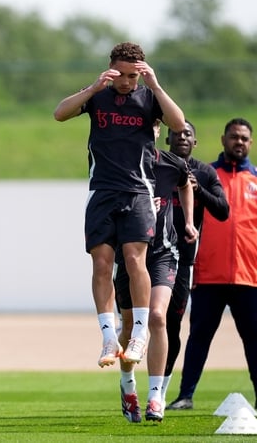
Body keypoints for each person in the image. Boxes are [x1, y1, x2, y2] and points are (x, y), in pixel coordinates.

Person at [53, 41, 185, 368]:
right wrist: (93, 87)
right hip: (102, 191)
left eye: (132, 76)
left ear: (140, 74)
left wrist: (154, 84)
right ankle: (109, 336)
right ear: (111, 70)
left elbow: (179, 124)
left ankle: (138, 334)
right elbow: (60, 113)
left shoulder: (149, 98)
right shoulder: (98, 96)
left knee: (133, 258)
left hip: (138, 192)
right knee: (101, 263)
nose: (126, 82)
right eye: (121, 75)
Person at [166, 118, 257, 411]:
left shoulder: (256, 180)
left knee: (254, 342)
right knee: (198, 338)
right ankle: (185, 395)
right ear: (223, 139)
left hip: (249, 276)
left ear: (250, 143)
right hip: (208, 274)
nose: (239, 142)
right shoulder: (205, 174)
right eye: (234, 137)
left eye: (244, 138)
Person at [114, 129, 197, 423]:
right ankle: (127, 384)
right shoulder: (120, 164)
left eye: (152, 125)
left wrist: (188, 221)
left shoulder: (171, 163)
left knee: (158, 317)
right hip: (130, 256)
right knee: (127, 326)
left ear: (158, 130)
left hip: (164, 253)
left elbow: (186, 184)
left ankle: (155, 396)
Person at [161, 121, 229, 408]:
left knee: (172, 326)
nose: (182, 137)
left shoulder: (204, 173)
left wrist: (198, 190)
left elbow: (223, 211)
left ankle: (159, 391)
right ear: (168, 139)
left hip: (182, 260)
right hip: (152, 255)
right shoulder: (157, 166)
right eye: (177, 133)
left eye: (187, 133)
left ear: (195, 142)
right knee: (138, 321)